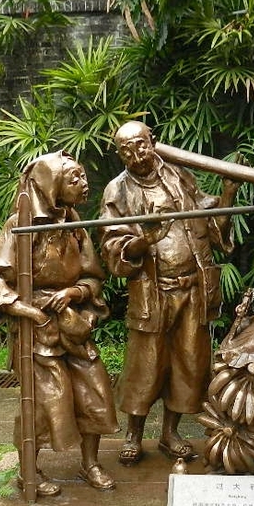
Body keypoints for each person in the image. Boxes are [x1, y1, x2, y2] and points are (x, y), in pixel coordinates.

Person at [0, 151, 118, 495]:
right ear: (52, 186)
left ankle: (90, 463)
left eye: (83, 177)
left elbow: (94, 278)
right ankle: (29, 470)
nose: (84, 185)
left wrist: (74, 292)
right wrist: (26, 310)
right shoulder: (19, 227)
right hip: (37, 332)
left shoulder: (76, 227)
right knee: (41, 403)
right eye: (75, 179)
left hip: (73, 325)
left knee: (94, 392)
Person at [99, 120, 239, 466]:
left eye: (141, 144)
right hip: (153, 292)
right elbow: (111, 244)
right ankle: (134, 434)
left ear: (154, 141)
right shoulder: (117, 191)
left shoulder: (179, 176)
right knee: (145, 366)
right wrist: (145, 239)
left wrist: (228, 195)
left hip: (193, 288)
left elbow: (209, 214)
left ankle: (170, 432)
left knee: (189, 363)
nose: (136, 154)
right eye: (126, 149)